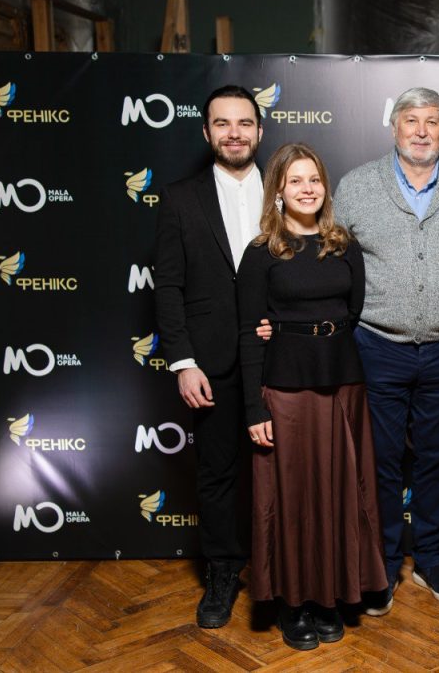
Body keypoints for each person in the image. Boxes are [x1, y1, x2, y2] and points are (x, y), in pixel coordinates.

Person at [333, 87, 439, 613]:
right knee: (378, 461)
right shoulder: (356, 186)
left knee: (438, 459)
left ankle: (429, 560)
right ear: (394, 126)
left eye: (432, 122)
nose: (421, 131)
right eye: (411, 120)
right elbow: (328, 261)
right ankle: (381, 564)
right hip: (376, 346)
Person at [237, 143, 386, 649]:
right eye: (296, 180)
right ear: (279, 189)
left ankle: (328, 597)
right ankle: (293, 602)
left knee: (339, 494)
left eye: (315, 179)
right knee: (292, 499)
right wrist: (254, 408)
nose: (308, 189)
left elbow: (354, 310)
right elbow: (248, 331)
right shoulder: (262, 252)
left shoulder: (343, 245)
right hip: (285, 389)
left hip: (342, 384)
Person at [154, 84, 262, 629]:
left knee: (284, 473)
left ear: (259, 130)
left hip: (280, 360)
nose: (234, 133)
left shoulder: (289, 188)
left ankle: (286, 573)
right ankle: (222, 572)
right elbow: (168, 287)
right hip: (211, 364)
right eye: (223, 123)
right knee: (218, 475)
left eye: (244, 123)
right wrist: (183, 361)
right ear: (206, 132)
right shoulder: (180, 198)